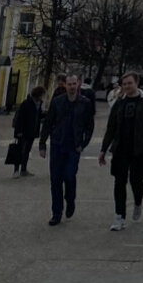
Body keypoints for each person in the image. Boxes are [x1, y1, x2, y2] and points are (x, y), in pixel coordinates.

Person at [98, 72, 143, 231]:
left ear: (136, 83)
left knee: (136, 180)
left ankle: (138, 201)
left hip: (138, 149)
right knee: (119, 182)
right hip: (120, 148)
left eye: (129, 83)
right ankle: (119, 216)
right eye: (124, 84)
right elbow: (111, 127)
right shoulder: (119, 103)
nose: (126, 86)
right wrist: (103, 149)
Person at [38, 74, 95, 226]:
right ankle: (56, 212)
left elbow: (89, 126)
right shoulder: (57, 101)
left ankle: (70, 199)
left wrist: (83, 144)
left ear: (78, 84)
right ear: (66, 85)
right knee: (55, 180)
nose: (71, 86)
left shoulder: (85, 103)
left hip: (73, 146)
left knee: (69, 176)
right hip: (57, 144)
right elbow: (48, 122)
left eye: (74, 84)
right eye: (69, 84)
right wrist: (42, 144)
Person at [12, 85, 46, 177]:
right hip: (23, 131)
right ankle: (16, 170)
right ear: (38, 95)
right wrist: (18, 131)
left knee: (27, 150)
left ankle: (23, 169)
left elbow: (38, 116)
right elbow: (20, 118)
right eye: (42, 95)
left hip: (32, 131)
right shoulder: (26, 103)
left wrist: (46, 114)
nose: (42, 97)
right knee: (19, 150)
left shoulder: (39, 104)